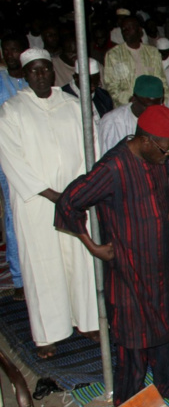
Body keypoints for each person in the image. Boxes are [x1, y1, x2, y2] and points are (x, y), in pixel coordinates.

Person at [55, 106, 169, 406]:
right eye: (165, 149)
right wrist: (93, 245)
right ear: (145, 140)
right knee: (132, 340)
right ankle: (129, 403)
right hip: (128, 268)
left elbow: (163, 191)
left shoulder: (157, 156)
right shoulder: (113, 167)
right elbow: (69, 201)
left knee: (167, 327)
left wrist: (167, 213)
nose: (168, 155)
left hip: (159, 260)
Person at [0, 49, 99, 357]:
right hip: (37, 203)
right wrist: (51, 194)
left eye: (45, 69)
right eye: (34, 71)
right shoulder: (12, 110)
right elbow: (11, 158)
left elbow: (90, 147)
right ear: (26, 75)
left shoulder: (73, 105)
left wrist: (77, 190)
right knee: (43, 265)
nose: (41, 75)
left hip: (73, 197)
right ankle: (47, 334)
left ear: (53, 73)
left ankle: (87, 320)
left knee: (79, 260)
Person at [0, 36, 27, 299]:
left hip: (35, 158)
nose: (9, 54)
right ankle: (19, 278)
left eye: (14, 49)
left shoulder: (35, 78)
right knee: (12, 213)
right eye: (5, 49)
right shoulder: (0, 82)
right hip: (7, 158)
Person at [103, 15, 168, 106]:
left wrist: (161, 102)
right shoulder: (113, 55)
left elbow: (161, 81)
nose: (125, 31)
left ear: (139, 31)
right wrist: (131, 99)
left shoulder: (152, 53)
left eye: (129, 27)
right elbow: (110, 86)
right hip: (126, 107)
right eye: (123, 29)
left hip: (151, 106)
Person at [98, 75, 165, 152]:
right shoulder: (113, 122)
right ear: (134, 99)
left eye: (156, 107)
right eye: (147, 107)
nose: (152, 112)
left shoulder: (163, 119)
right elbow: (107, 160)